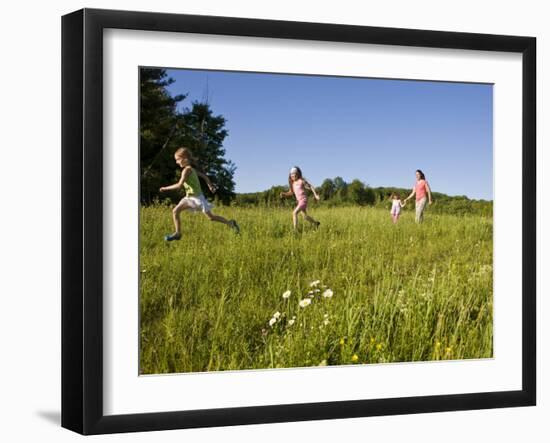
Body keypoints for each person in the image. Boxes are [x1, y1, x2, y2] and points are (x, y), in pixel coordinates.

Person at [159, 147, 240, 241]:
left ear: (184, 158)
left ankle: (230, 223)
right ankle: (178, 233)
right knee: (175, 211)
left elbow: (179, 185)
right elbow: (205, 176)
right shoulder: (192, 169)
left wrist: (165, 188)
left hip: (197, 198)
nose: (176, 162)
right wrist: (210, 185)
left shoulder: (187, 170)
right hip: (189, 198)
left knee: (211, 217)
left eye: (177, 159)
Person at [280, 166, 320, 231]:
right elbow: (291, 192)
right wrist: (284, 194)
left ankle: (295, 230)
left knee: (294, 213)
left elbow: (310, 187)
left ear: (298, 174)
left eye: (294, 173)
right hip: (299, 202)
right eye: (291, 174)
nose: (293, 175)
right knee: (305, 217)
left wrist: (315, 195)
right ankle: (316, 223)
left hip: (303, 200)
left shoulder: (301, 181)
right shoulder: (293, 184)